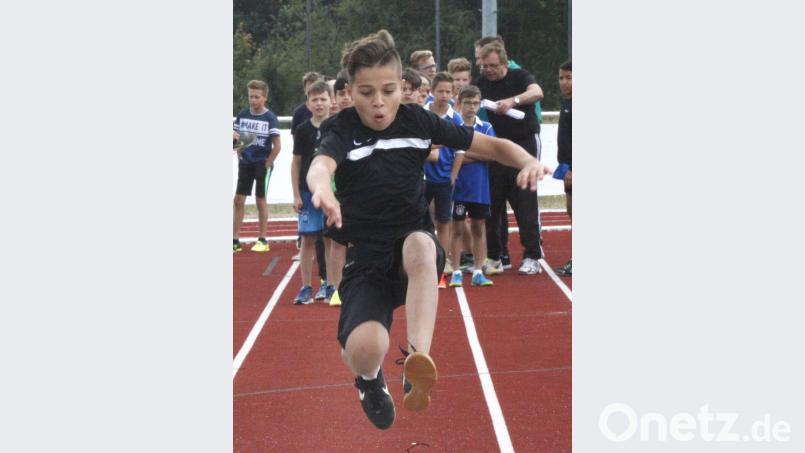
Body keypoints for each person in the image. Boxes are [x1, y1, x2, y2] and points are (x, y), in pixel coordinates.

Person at [306, 29, 550, 431]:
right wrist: (321, 191)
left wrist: (526, 159)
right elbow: (321, 167)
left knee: (422, 246)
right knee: (366, 350)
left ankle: (418, 360)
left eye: (388, 90)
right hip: (366, 258)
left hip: (410, 244)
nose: (379, 103)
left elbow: (492, 146)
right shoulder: (340, 129)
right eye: (367, 93)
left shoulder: (417, 120)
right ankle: (368, 380)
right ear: (350, 90)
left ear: (403, 86)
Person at [475, 41, 546, 275]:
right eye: (484, 65)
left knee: (524, 199)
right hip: (497, 148)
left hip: (524, 144)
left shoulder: (519, 76)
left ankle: (532, 255)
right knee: (493, 202)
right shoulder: (482, 83)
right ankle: (497, 255)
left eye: (493, 65)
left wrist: (513, 101)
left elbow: (537, 92)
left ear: (504, 63)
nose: (488, 70)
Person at [448, 85, 495, 288]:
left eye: (476, 103)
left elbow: (491, 154)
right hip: (458, 187)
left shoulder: (485, 127)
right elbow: (450, 156)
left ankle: (478, 270)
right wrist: (471, 156)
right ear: (459, 103)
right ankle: (456, 271)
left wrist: (464, 155)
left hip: (479, 188)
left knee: (478, 227)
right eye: (468, 103)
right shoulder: (453, 126)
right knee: (456, 228)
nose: (472, 107)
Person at [291, 80, 333, 304]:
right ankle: (306, 286)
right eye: (314, 100)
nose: (319, 103)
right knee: (308, 239)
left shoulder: (336, 126)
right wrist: (296, 194)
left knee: (329, 239)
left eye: (323, 99)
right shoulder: (302, 130)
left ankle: (329, 284)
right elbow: (296, 163)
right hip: (307, 193)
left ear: (330, 101)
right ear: (308, 104)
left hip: (330, 192)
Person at [423, 72, 464, 288]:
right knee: (422, 219)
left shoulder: (455, 118)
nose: (444, 95)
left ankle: (442, 262)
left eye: (448, 91)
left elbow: (460, 151)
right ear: (432, 91)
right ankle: (425, 260)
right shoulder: (422, 113)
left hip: (444, 178)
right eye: (440, 91)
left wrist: (454, 174)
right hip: (422, 178)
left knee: (444, 221)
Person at [232, 80, 281, 252]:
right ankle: (235, 239)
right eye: (250, 96)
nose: (253, 100)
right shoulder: (243, 115)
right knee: (238, 200)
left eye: (257, 97)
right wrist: (239, 155)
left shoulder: (270, 118)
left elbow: (277, 146)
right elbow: (236, 139)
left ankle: (262, 239)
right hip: (246, 163)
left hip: (262, 164)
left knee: (260, 199)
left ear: (264, 98)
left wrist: (267, 164)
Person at [555, 59, 572, 276]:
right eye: (561, 78)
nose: (564, 82)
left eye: (569, 78)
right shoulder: (566, 103)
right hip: (566, 164)